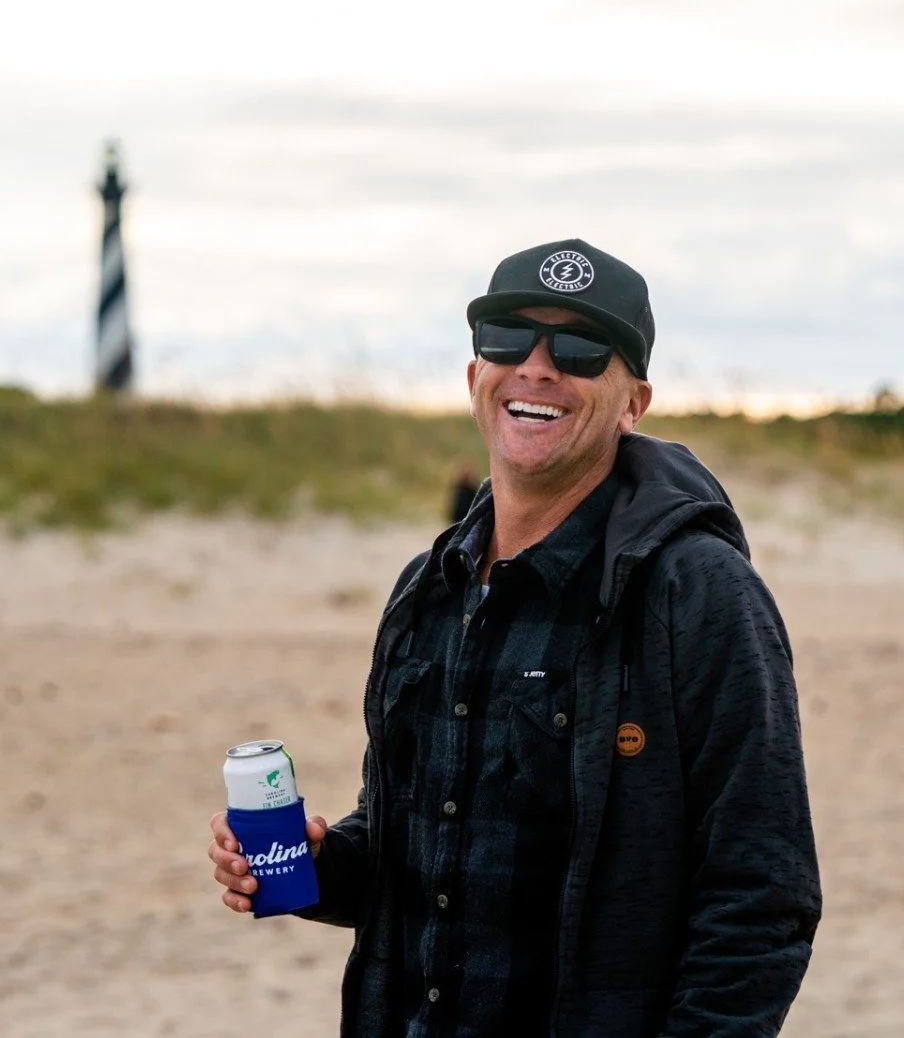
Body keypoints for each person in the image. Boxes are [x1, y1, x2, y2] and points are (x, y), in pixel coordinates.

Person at [209, 237, 821, 1037]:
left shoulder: (698, 592)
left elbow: (763, 897)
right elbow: (421, 860)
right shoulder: (428, 591)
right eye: (506, 340)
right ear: (475, 378)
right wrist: (320, 867)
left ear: (633, 402)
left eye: (580, 349)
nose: (537, 367)